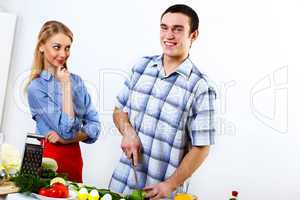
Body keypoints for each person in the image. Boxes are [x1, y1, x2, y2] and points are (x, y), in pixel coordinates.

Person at [109, 4, 216, 199]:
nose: (168, 35)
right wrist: (128, 132)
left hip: (159, 191)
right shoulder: (141, 66)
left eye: (178, 29)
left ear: (194, 35)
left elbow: (202, 147)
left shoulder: (200, 87)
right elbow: (119, 110)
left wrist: (170, 184)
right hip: (121, 184)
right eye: (164, 27)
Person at [27, 20, 100, 182]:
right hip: (46, 159)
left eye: (67, 48)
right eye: (57, 47)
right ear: (41, 46)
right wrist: (66, 86)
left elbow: (95, 127)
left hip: (73, 159)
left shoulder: (77, 82)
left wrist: (68, 139)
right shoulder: (36, 88)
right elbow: (67, 129)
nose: (63, 54)